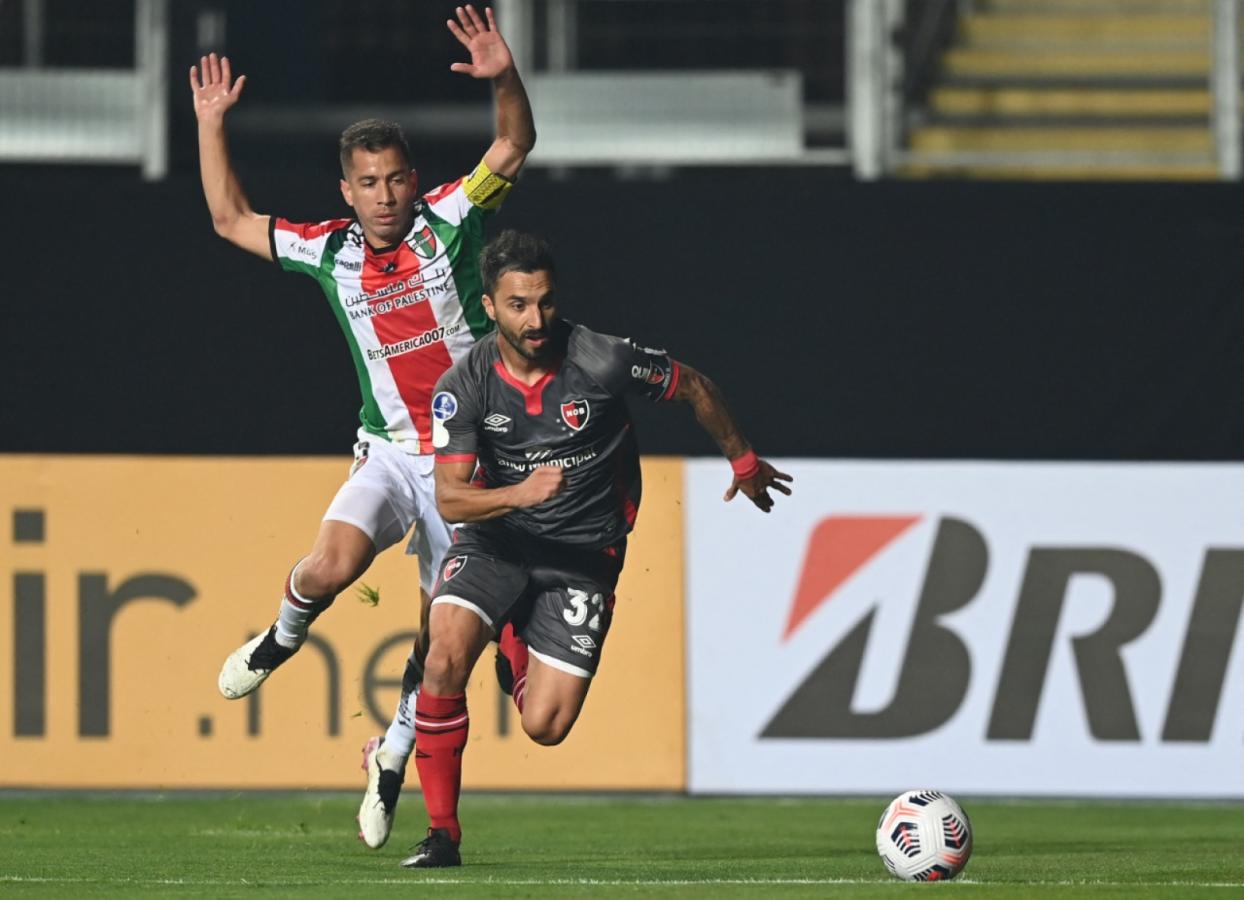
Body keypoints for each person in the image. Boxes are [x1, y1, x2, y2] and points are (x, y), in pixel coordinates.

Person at [188, 4, 534, 851]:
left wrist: (503, 78)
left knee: (436, 647)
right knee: (330, 564)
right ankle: (282, 636)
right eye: (366, 184)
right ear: (347, 191)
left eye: (394, 179)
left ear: (414, 178)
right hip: (387, 454)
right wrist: (209, 126)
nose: (383, 196)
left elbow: (514, 145)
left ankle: (392, 751)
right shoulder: (329, 249)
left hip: (466, 469)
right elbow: (231, 220)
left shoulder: (454, 218)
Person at [403, 230, 793, 867]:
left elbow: (693, 386)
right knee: (443, 657)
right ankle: (443, 834)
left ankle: (514, 642)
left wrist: (744, 461)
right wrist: (520, 495)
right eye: (519, 305)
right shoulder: (465, 382)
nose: (536, 319)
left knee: (545, 727)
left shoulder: (601, 358)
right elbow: (451, 500)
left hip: (586, 553)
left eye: (546, 302)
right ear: (490, 306)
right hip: (498, 538)